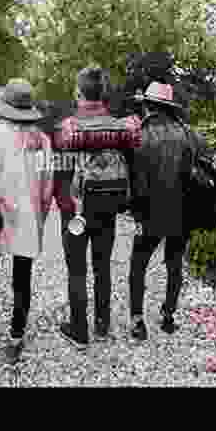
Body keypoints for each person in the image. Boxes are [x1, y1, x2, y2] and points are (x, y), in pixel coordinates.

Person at [0, 78, 53, 365]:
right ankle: (15, 340)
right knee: (21, 282)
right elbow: (46, 186)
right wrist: (40, 218)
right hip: (27, 220)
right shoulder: (42, 140)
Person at [52, 67, 141, 348]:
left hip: (77, 209)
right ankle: (102, 325)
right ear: (104, 95)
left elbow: (60, 172)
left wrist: (65, 206)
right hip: (108, 205)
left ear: (78, 93)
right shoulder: (119, 128)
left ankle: (79, 330)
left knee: (77, 270)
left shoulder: (69, 127)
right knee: (102, 267)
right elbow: (132, 163)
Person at [126, 79, 210, 341]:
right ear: (170, 107)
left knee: (138, 264)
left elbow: (131, 179)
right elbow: (206, 170)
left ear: (149, 106)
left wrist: (133, 208)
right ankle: (168, 316)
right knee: (175, 265)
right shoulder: (191, 135)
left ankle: (138, 321)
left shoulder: (139, 134)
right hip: (182, 215)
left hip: (148, 215)